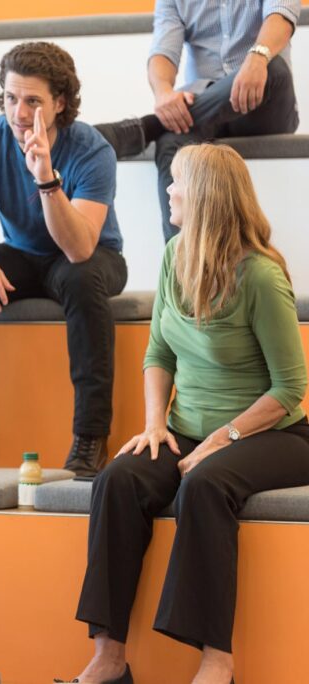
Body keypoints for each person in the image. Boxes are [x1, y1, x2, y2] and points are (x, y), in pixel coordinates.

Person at [62, 144, 309, 684]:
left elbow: (291, 388)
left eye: (176, 182)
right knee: (118, 479)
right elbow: (159, 353)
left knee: (204, 485)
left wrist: (221, 438)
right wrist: (155, 423)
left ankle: (217, 663)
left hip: (273, 433)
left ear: (206, 197)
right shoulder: (176, 254)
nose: (168, 191)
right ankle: (109, 657)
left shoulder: (262, 277)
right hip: (186, 429)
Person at [0, 41, 127, 475]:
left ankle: (90, 437)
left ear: (60, 103)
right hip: (25, 256)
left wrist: (47, 180)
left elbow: (79, 248)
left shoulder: (92, 149)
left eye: (32, 101)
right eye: (11, 98)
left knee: (79, 278)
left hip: (91, 256)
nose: (18, 113)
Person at [97, 0, 301, 242]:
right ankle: (180, 264)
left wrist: (256, 58)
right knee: (171, 141)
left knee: (273, 67)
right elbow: (163, 52)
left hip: (264, 105)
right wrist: (164, 93)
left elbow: (281, 16)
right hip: (206, 113)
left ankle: (150, 126)